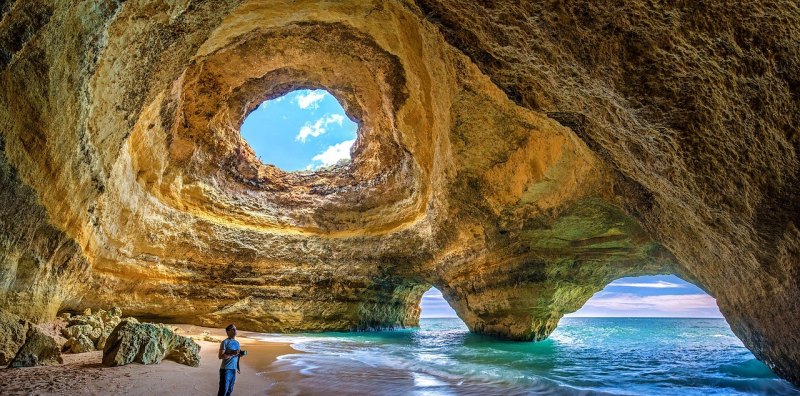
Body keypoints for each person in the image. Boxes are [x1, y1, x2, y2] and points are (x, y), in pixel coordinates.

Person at [218, 324, 241, 396]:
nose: (235, 331)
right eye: (233, 329)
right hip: (226, 369)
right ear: (227, 332)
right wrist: (232, 353)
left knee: (230, 390)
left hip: (233, 369)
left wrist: (237, 367)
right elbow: (220, 356)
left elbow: (237, 356)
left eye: (235, 329)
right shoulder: (225, 342)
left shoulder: (237, 343)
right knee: (223, 390)